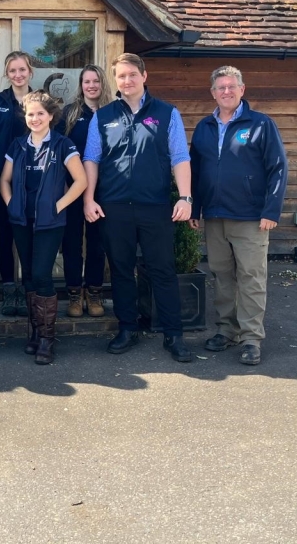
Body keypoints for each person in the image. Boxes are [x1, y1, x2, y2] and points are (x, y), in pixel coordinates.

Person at [82, 53, 194, 362]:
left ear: (144, 77)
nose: (127, 80)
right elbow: (92, 158)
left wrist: (185, 197)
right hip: (114, 207)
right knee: (120, 270)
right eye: (121, 76)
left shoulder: (166, 113)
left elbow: (180, 157)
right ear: (115, 81)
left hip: (155, 206)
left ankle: (173, 335)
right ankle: (127, 328)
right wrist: (88, 198)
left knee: (163, 271)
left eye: (132, 74)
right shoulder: (102, 116)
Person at [190, 65, 287, 366]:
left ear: (242, 90)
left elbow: (278, 168)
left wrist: (271, 210)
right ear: (213, 93)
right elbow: (195, 171)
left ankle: (251, 339)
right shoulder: (205, 127)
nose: (226, 92)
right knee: (221, 276)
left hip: (250, 218)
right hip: (215, 216)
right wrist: (195, 208)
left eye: (232, 86)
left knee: (251, 277)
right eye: (221, 87)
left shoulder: (260, 124)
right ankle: (226, 330)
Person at [0, 91, 86, 364]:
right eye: (30, 114)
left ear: (50, 116)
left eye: (40, 113)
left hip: (50, 222)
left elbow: (80, 181)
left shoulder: (63, 144)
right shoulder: (18, 145)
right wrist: (12, 203)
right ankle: (35, 333)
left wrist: (59, 206)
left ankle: (48, 338)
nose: (34, 118)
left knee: (42, 275)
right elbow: (4, 180)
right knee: (28, 277)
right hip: (22, 220)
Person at [59, 65, 112, 319]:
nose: (91, 86)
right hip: (72, 189)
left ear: (103, 84)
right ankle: (73, 292)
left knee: (97, 242)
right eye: (86, 81)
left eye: (96, 81)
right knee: (71, 243)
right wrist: (64, 185)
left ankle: (93, 292)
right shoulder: (69, 113)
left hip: (103, 190)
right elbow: (58, 151)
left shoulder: (113, 113)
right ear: (81, 85)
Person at [0, 51, 33, 317]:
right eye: (12, 70)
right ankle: (8, 290)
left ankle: (28, 289)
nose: (18, 74)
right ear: (7, 73)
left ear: (30, 72)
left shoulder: (40, 101)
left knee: (28, 237)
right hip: (2, 180)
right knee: (5, 236)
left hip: (33, 181)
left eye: (22, 69)